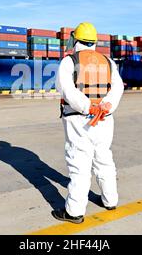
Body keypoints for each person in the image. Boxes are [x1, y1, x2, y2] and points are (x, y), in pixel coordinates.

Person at [53, 22, 124, 224]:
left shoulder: (69, 61)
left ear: (76, 39)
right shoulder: (109, 61)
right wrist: (106, 106)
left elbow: (66, 90)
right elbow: (117, 89)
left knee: (79, 163)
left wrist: (87, 107)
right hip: (105, 119)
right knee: (104, 158)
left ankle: (74, 211)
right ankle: (110, 200)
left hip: (79, 119)